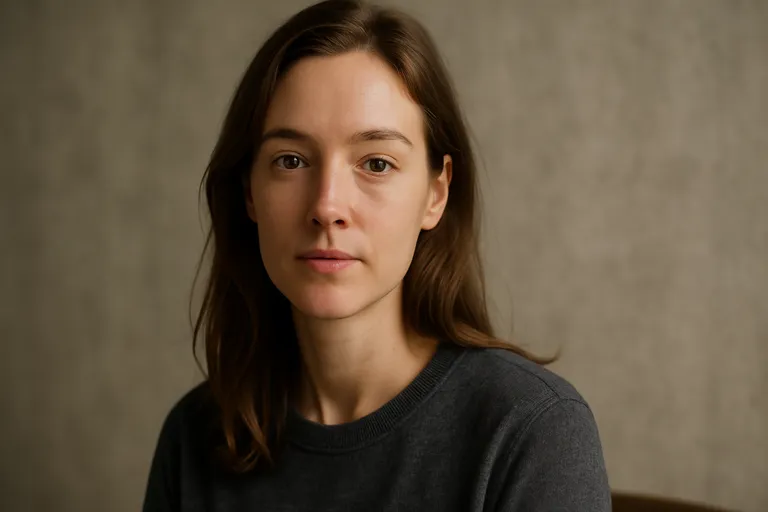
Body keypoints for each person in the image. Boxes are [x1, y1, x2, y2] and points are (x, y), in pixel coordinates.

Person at [141, 0, 611, 510]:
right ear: (249, 192)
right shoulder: (194, 438)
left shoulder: (530, 430)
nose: (326, 207)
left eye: (377, 163)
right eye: (291, 160)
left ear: (436, 193)